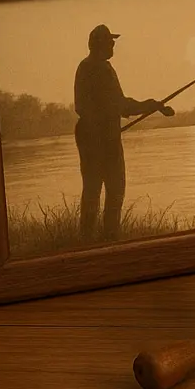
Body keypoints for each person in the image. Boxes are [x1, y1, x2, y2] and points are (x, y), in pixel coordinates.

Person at [73, 24, 171, 241]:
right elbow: (121, 105)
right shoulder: (101, 68)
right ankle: (110, 241)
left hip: (88, 137)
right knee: (115, 191)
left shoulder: (84, 66)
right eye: (110, 41)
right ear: (100, 44)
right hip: (104, 140)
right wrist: (152, 104)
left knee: (91, 191)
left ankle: (86, 241)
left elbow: (87, 107)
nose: (113, 45)